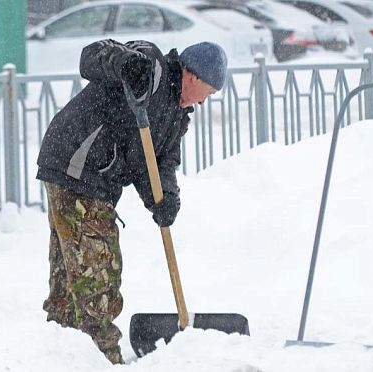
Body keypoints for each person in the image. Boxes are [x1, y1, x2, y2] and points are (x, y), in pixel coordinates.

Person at [35, 39, 227, 364]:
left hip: (89, 173)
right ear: (193, 76)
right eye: (208, 92)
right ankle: (102, 357)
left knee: (71, 273)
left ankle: (63, 354)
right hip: (77, 163)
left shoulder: (176, 114)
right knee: (98, 271)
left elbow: (158, 161)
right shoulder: (151, 68)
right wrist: (124, 63)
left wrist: (163, 200)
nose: (205, 101)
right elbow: (92, 56)